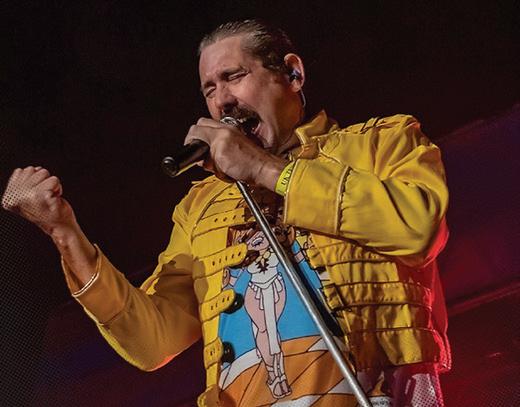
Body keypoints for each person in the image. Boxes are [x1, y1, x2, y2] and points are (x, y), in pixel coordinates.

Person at [2, 20, 450, 406]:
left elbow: (418, 229)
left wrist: (262, 168)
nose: (222, 101)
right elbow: (152, 342)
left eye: (233, 77)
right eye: (209, 89)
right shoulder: (199, 207)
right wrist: (64, 232)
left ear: (292, 73)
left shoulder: (382, 144)